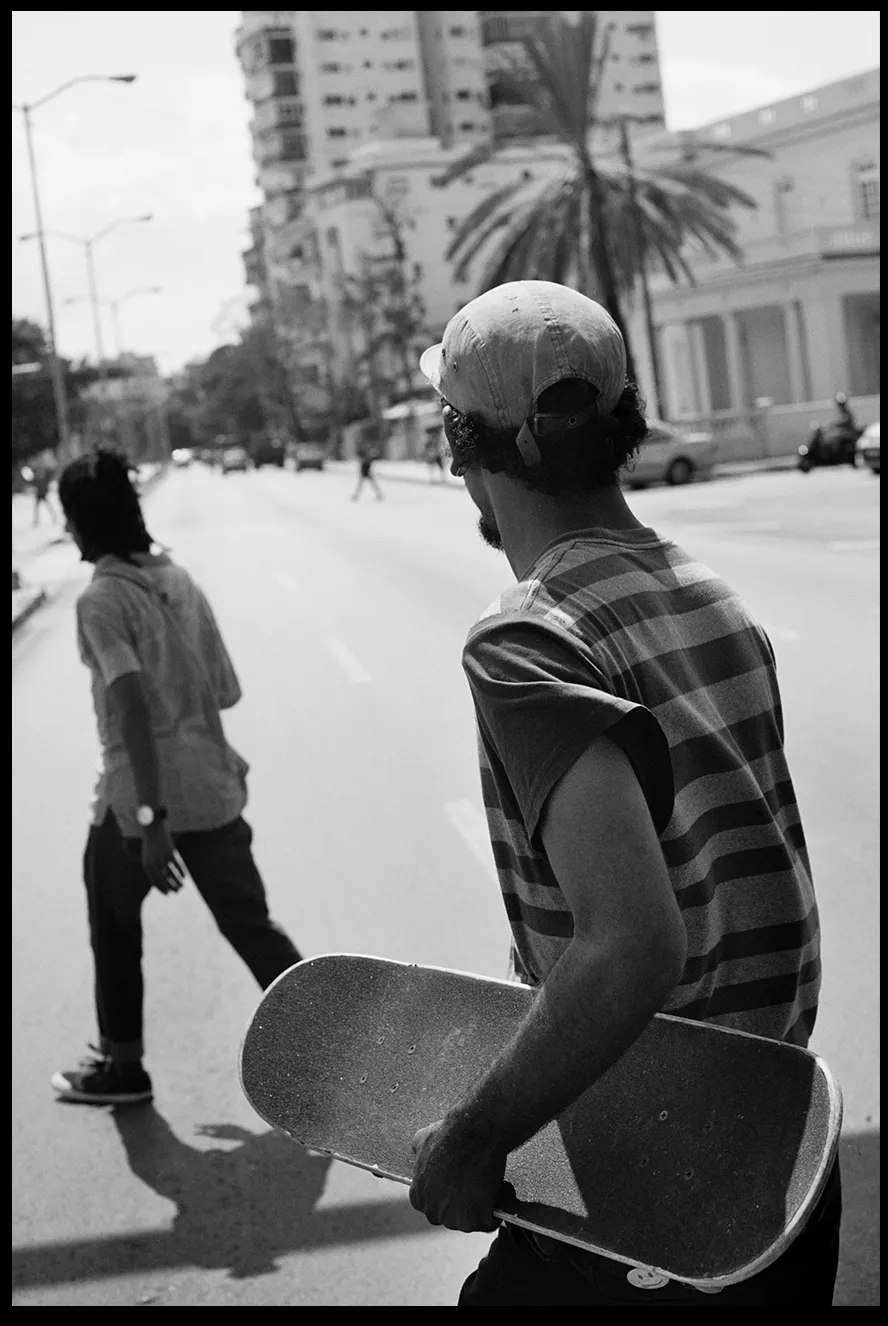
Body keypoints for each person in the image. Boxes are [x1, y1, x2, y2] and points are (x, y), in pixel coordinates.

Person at [410, 281, 840, 1306]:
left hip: (653, 1186)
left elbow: (633, 944)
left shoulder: (529, 638)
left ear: (465, 447)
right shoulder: (709, 595)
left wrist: (475, 1139)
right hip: (782, 1159)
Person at [51, 448, 303, 1106]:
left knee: (113, 923)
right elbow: (224, 690)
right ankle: (334, 1046)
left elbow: (131, 702)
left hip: (138, 802)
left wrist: (151, 823)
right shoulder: (179, 579)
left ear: (80, 523)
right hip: (213, 790)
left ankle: (123, 1066)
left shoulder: (102, 599)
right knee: (253, 926)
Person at [351, 422, 384, 501]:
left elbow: (366, 454)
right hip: (365, 464)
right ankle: (378, 494)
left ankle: (357, 495)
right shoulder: (363, 444)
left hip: (366, 464)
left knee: (364, 482)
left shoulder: (364, 444)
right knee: (367, 482)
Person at [32, 459, 59, 526]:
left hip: (43, 494)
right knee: (37, 508)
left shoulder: (44, 479)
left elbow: (51, 472)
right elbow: (34, 484)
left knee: (48, 506)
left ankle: (54, 517)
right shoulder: (38, 479)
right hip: (39, 494)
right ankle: (37, 520)